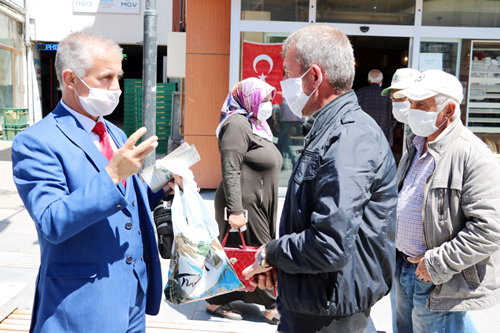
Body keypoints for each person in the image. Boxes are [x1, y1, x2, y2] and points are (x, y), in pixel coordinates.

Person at [243, 24, 397, 332]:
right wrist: (283, 264)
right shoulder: (330, 129)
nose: (281, 84)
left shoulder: (349, 138)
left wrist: (270, 252)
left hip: (328, 315)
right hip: (314, 302)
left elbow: (330, 243)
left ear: (314, 77)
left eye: (287, 74)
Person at [11, 32, 166, 332]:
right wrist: (112, 175)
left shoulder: (115, 133)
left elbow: (127, 199)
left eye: (118, 77)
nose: (116, 88)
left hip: (132, 296)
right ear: (70, 79)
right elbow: (52, 221)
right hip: (82, 305)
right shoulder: (35, 142)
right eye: (106, 78)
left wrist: (163, 183)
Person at [393, 69, 500, 332]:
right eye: (411, 103)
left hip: (439, 278)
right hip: (405, 271)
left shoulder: (473, 155)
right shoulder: (416, 145)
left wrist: (436, 264)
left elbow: (489, 229)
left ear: (449, 110)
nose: (411, 110)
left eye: (421, 104)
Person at [206, 78, 282, 325]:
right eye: (265, 98)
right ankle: (273, 305)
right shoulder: (237, 123)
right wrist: (236, 211)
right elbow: (230, 167)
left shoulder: (256, 125)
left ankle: (218, 297)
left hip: (256, 202)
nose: (269, 104)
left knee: (243, 253)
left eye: (270, 99)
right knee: (258, 251)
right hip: (243, 205)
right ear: (249, 98)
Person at [356, 69, 395, 146]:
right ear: (382, 80)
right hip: (383, 135)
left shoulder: (359, 93)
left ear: (368, 80)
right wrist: (389, 126)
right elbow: (394, 115)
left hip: (362, 135)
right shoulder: (388, 95)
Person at [273, 99, 304, 170]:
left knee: (283, 145)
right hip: (287, 124)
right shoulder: (290, 102)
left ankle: (292, 161)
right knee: (282, 144)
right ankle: (285, 163)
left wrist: (275, 122)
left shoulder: (280, 101)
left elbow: (274, 112)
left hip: (283, 124)